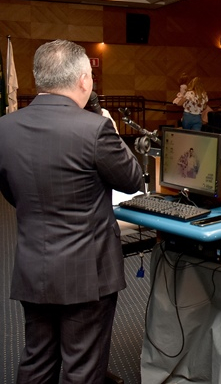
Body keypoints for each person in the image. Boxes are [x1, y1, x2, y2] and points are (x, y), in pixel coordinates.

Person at [0, 40, 142, 384]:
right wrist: (110, 127)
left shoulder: (4, 128)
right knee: (82, 369)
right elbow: (132, 179)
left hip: (34, 265)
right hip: (86, 274)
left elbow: (12, 193)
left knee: (37, 360)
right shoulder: (95, 128)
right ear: (83, 80)